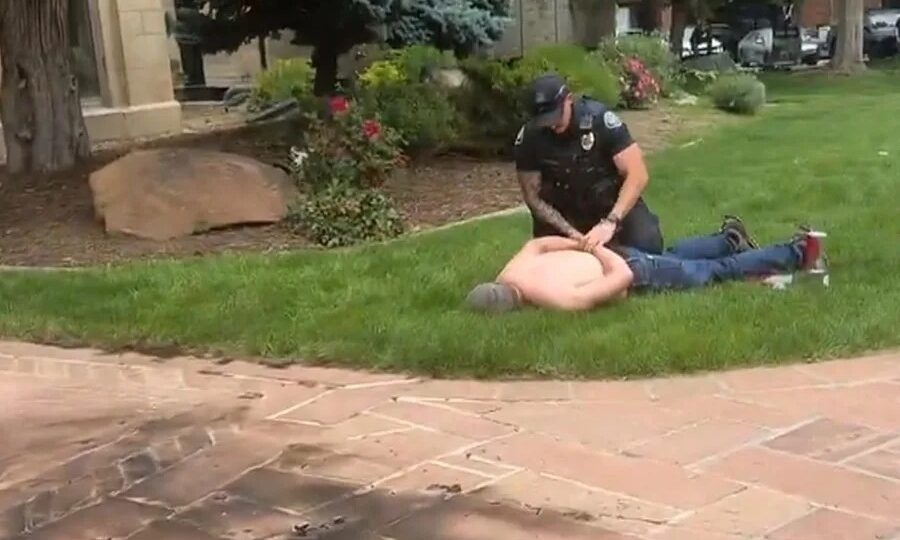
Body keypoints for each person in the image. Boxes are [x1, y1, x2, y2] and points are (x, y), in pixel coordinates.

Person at [465, 217, 827, 313]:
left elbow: (622, 277)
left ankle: (798, 252)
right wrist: (584, 245)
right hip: (616, 254)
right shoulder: (509, 272)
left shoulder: (553, 299)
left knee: (716, 272)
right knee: (674, 257)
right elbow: (538, 244)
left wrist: (598, 253)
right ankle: (729, 239)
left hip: (630, 268)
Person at [513, 73, 664, 255]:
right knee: (554, 262)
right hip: (564, 212)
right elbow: (533, 197)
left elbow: (638, 174)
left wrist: (610, 222)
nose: (552, 124)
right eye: (545, 120)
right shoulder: (530, 137)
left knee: (647, 244)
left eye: (556, 116)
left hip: (609, 202)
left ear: (569, 100)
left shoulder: (599, 120)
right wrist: (571, 234)